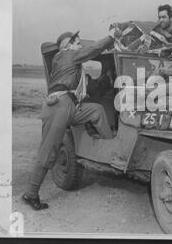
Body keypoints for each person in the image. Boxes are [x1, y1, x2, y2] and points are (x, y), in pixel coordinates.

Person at [22, 31, 114, 210]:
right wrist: (112, 37)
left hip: (70, 106)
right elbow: (93, 49)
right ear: (68, 45)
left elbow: (83, 84)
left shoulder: (68, 60)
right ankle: (31, 194)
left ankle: (108, 149)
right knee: (49, 150)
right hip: (59, 105)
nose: (80, 46)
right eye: (77, 43)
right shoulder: (67, 55)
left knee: (96, 110)